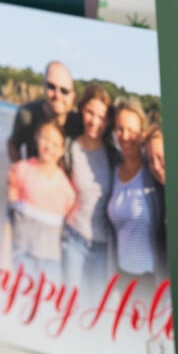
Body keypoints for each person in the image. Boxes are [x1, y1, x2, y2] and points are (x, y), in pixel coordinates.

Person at [61, 82, 119, 299]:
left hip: (102, 245)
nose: (95, 122)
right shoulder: (69, 149)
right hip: (73, 239)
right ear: (81, 109)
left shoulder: (113, 155)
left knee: (95, 307)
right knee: (69, 303)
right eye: (90, 113)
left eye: (102, 117)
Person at [5, 106, 76, 280]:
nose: (49, 147)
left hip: (51, 262)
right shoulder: (20, 171)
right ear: (36, 138)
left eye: (55, 144)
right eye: (45, 139)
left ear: (61, 151)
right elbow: (9, 219)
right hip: (21, 254)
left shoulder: (67, 190)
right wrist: (4, 256)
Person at [107, 97, 165, 282]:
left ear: (142, 132)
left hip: (150, 278)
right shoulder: (113, 171)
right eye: (120, 129)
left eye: (131, 130)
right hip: (121, 275)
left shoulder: (153, 171)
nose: (125, 136)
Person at [6, 60, 82, 163]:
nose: (57, 95)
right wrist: (20, 171)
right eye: (51, 86)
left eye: (64, 91)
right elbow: (13, 144)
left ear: (73, 96)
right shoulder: (27, 115)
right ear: (44, 88)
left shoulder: (79, 123)